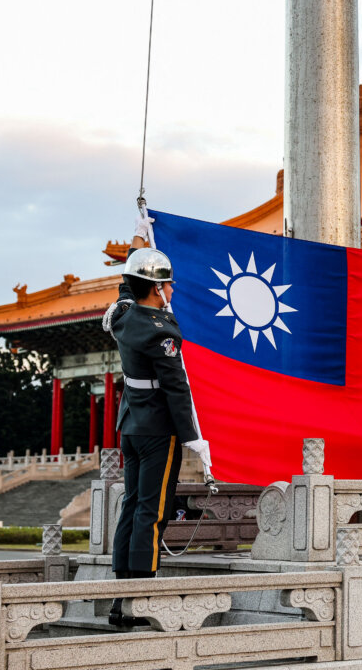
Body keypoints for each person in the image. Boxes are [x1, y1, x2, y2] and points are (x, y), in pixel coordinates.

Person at [101, 216, 212, 626]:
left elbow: (125, 284)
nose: (172, 289)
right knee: (153, 510)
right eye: (168, 284)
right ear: (155, 288)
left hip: (130, 426)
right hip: (157, 430)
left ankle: (120, 599)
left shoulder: (123, 315)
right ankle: (141, 597)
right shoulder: (161, 331)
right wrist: (193, 438)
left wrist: (138, 237)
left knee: (131, 507)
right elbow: (176, 388)